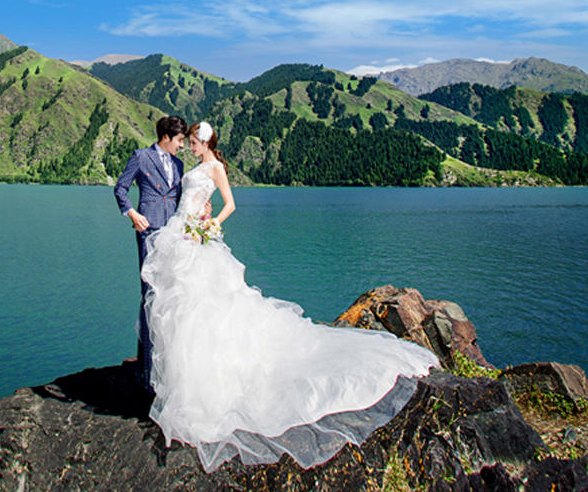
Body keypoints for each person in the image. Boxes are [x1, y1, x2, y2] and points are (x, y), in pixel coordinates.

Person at [141, 121, 439, 472]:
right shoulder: (193, 167)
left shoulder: (216, 167)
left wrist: (210, 223)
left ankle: (202, 385)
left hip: (198, 238)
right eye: (187, 142)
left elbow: (230, 205)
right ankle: (180, 385)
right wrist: (198, 217)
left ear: (204, 142)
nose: (189, 146)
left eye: (192, 141)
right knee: (179, 309)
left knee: (205, 309)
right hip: (180, 235)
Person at [113, 115, 189, 395]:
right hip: (148, 233)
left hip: (174, 236)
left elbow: (180, 200)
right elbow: (120, 188)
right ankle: (146, 373)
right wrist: (132, 213)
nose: (182, 146)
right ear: (166, 137)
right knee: (150, 295)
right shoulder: (141, 156)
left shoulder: (179, 164)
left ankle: (166, 367)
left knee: (171, 297)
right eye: (180, 140)